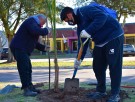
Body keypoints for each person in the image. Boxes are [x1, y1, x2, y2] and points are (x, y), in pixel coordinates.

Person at [60, 4, 124, 102]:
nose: (69, 22)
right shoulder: (80, 27)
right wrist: (78, 59)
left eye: (67, 20)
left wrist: (89, 30)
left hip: (113, 36)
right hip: (99, 42)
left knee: (114, 66)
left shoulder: (86, 10)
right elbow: (82, 44)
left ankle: (115, 94)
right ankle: (101, 90)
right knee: (97, 66)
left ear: (69, 14)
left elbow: (102, 17)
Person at [10, 14, 50, 97]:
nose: (42, 25)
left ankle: (30, 87)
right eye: (43, 22)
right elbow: (35, 31)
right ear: (39, 18)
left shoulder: (34, 25)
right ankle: (26, 90)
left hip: (23, 48)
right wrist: (46, 31)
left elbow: (34, 42)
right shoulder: (31, 21)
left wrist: (44, 48)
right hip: (19, 47)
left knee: (28, 68)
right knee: (24, 68)